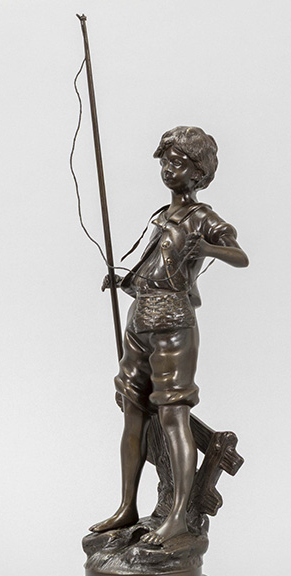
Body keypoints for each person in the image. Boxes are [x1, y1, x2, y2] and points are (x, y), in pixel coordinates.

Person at [90, 126, 249, 545]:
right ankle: (127, 506)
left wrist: (208, 248)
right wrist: (124, 280)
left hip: (173, 322)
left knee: (173, 413)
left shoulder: (202, 218)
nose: (168, 169)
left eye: (178, 162)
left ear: (198, 172)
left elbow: (240, 255)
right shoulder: (162, 216)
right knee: (133, 411)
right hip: (140, 318)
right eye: (165, 160)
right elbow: (154, 265)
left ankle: (178, 515)